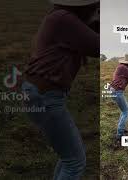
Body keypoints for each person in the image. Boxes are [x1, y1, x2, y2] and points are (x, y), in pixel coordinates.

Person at [21, 0, 99, 179]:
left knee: (68, 158)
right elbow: (96, 46)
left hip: (39, 92)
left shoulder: (59, 16)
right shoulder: (64, 20)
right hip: (45, 96)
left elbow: (87, 33)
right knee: (74, 162)